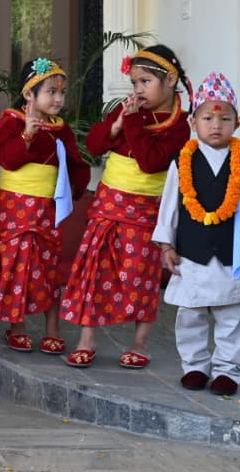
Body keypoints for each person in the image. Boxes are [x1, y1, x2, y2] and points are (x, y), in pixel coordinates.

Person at [152, 72, 240, 396]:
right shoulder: (181, 161)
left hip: (235, 254)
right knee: (191, 314)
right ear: (193, 122)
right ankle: (195, 366)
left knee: (234, 315)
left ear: (237, 123)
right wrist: (165, 245)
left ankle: (229, 370)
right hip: (193, 253)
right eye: (208, 118)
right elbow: (170, 205)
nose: (216, 125)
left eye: (225, 118)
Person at [60, 46, 192, 369]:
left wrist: (130, 124)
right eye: (135, 83)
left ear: (170, 80)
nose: (138, 90)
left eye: (146, 82)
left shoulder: (180, 125)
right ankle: (86, 340)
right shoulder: (126, 111)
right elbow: (92, 145)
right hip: (108, 204)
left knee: (141, 276)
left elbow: (150, 162)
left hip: (146, 211)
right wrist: (116, 126)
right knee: (94, 269)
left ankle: (139, 343)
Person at [0, 57, 90, 356]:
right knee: (18, 264)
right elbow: (8, 159)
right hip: (15, 208)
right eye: (51, 92)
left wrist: (74, 189)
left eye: (61, 92)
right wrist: (27, 135)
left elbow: (75, 164)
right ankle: (16, 327)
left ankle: (52, 329)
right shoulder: (11, 121)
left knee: (48, 264)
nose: (58, 99)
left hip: (47, 208)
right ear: (29, 93)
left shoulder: (62, 129)